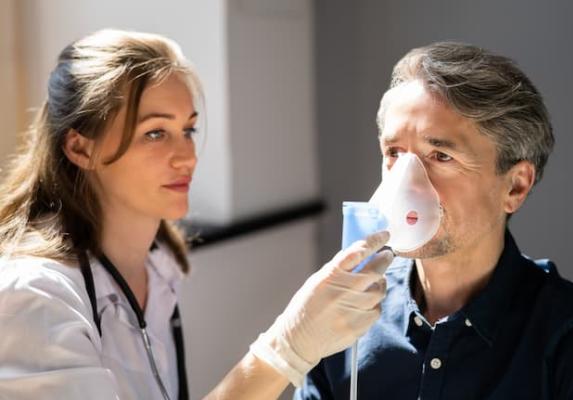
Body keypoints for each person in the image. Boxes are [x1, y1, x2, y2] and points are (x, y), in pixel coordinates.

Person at [0, 29, 394, 400]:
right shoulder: (34, 297)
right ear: (80, 148)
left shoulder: (158, 270)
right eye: (155, 133)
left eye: (188, 130)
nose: (187, 157)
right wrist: (285, 348)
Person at [295, 42, 573, 399]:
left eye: (441, 156)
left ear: (515, 186)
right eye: (395, 153)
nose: (404, 182)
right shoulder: (347, 315)